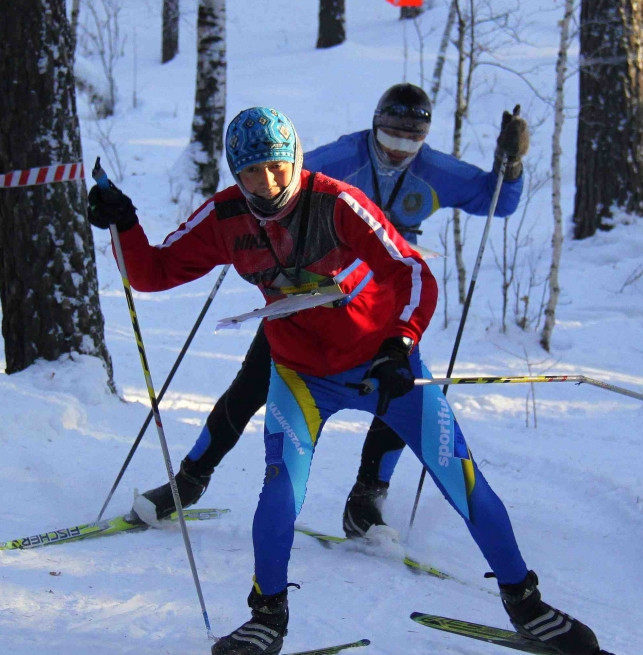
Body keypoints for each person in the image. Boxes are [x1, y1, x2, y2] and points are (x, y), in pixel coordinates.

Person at [88, 107, 595, 655]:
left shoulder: (335, 203)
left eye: (278, 167)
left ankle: (525, 603)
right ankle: (267, 617)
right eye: (252, 172)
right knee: (280, 487)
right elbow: (152, 273)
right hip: (301, 376)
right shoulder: (226, 217)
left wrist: (401, 344)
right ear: (236, 173)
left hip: (383, 366)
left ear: (296, 158)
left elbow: (412, 270)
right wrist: (124, 225)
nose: (268, 183)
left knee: (464, 479)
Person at [137, 83, 531, 539]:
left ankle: (366, 500)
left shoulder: (434, 171)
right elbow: (273, 186)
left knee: (397, 392)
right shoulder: (343, 159)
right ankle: (188, 482)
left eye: (412, 140)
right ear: (375, 126)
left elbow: (497, 199)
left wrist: (511, 164)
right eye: (390, 138)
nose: (400, 150)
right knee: (249, 388)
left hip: (381, 305)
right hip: (306, 300)